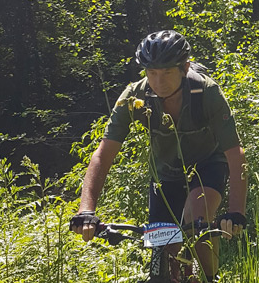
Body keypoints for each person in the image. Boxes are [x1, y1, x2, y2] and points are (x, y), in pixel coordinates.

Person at [69, 30, 248, 282]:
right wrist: (86, 210)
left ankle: (209, 277)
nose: (158, 81)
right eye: (152, 73)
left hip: (207, 165)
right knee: (162, 258)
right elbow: (103, 154)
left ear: (185, 68)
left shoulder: (206, 92)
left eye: (166, 73)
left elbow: (234, 152)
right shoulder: (134, 97)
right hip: (164, 176)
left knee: (196, 218)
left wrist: (235, 212)